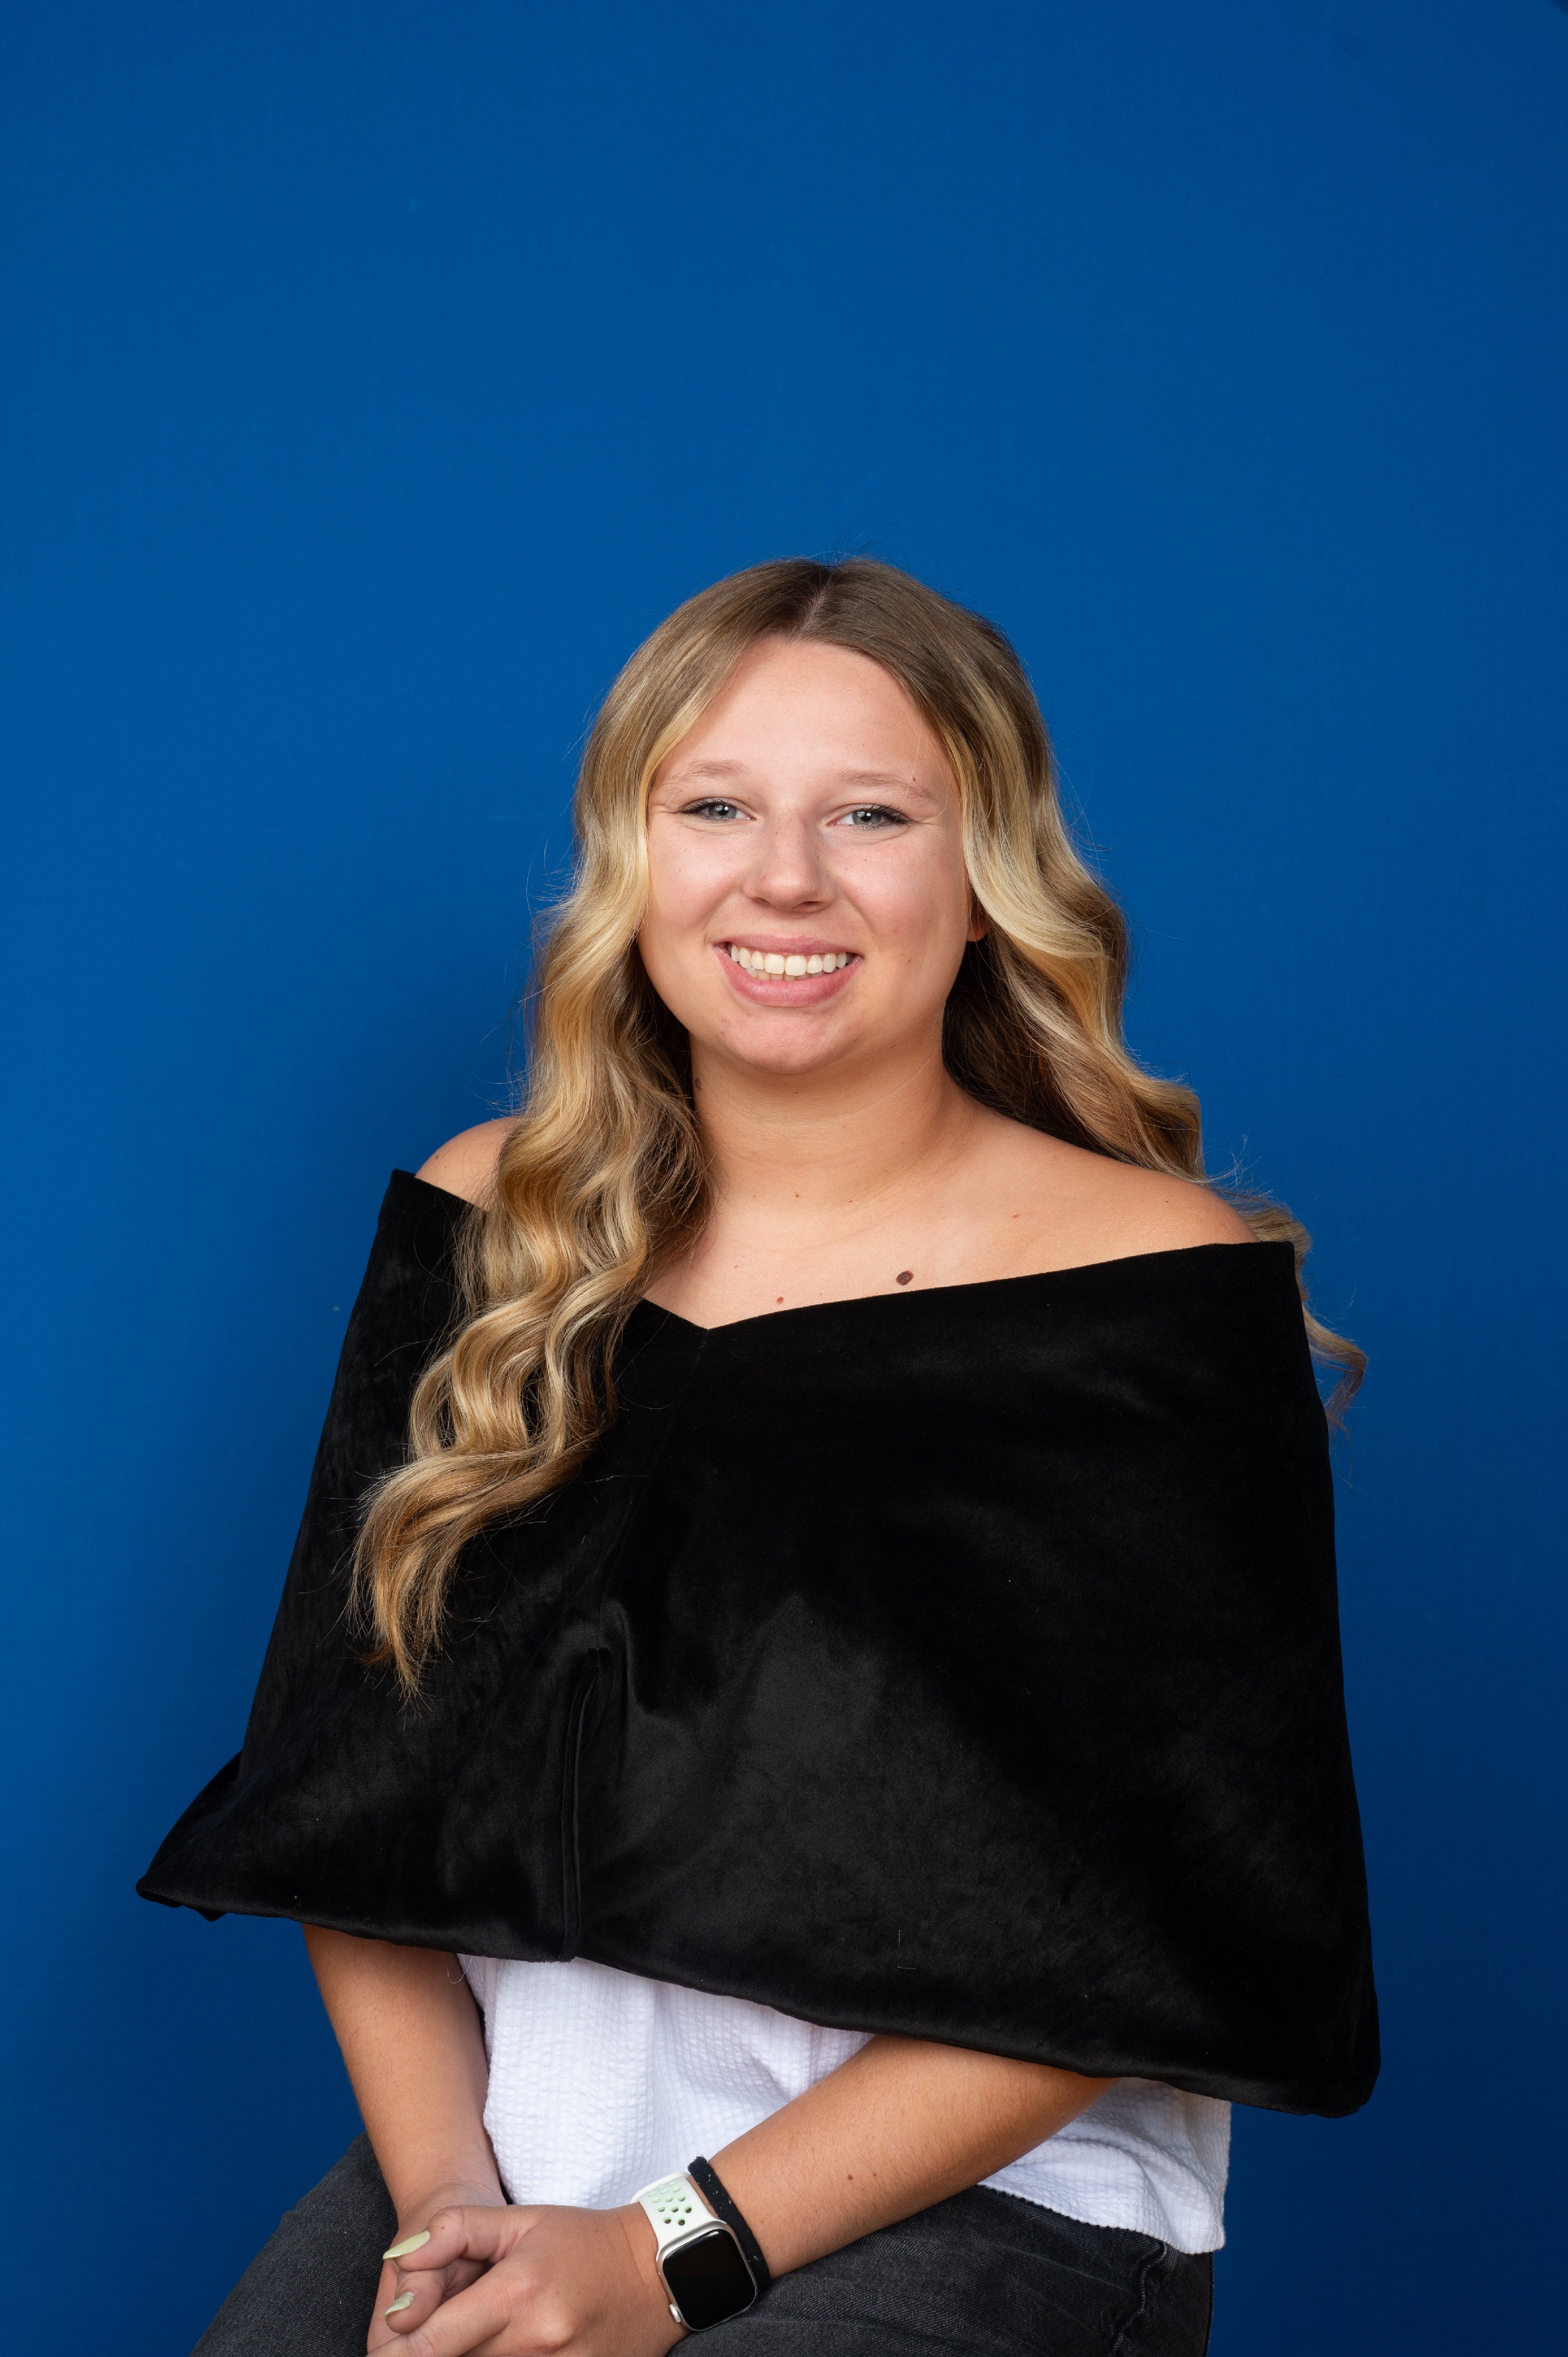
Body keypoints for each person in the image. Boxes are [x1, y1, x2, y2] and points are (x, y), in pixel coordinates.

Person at [142, 558, 1377, 2357]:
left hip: (981, 2207)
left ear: (985, 878)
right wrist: (443, 2209)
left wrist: (665, 2254)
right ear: (632, 865)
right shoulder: (498, 1221)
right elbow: (354, 1802)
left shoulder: (1151, 1283)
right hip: (515, 2163)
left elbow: (1143, 1930)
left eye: (871, 814)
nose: (783, 877)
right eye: (713, 807)